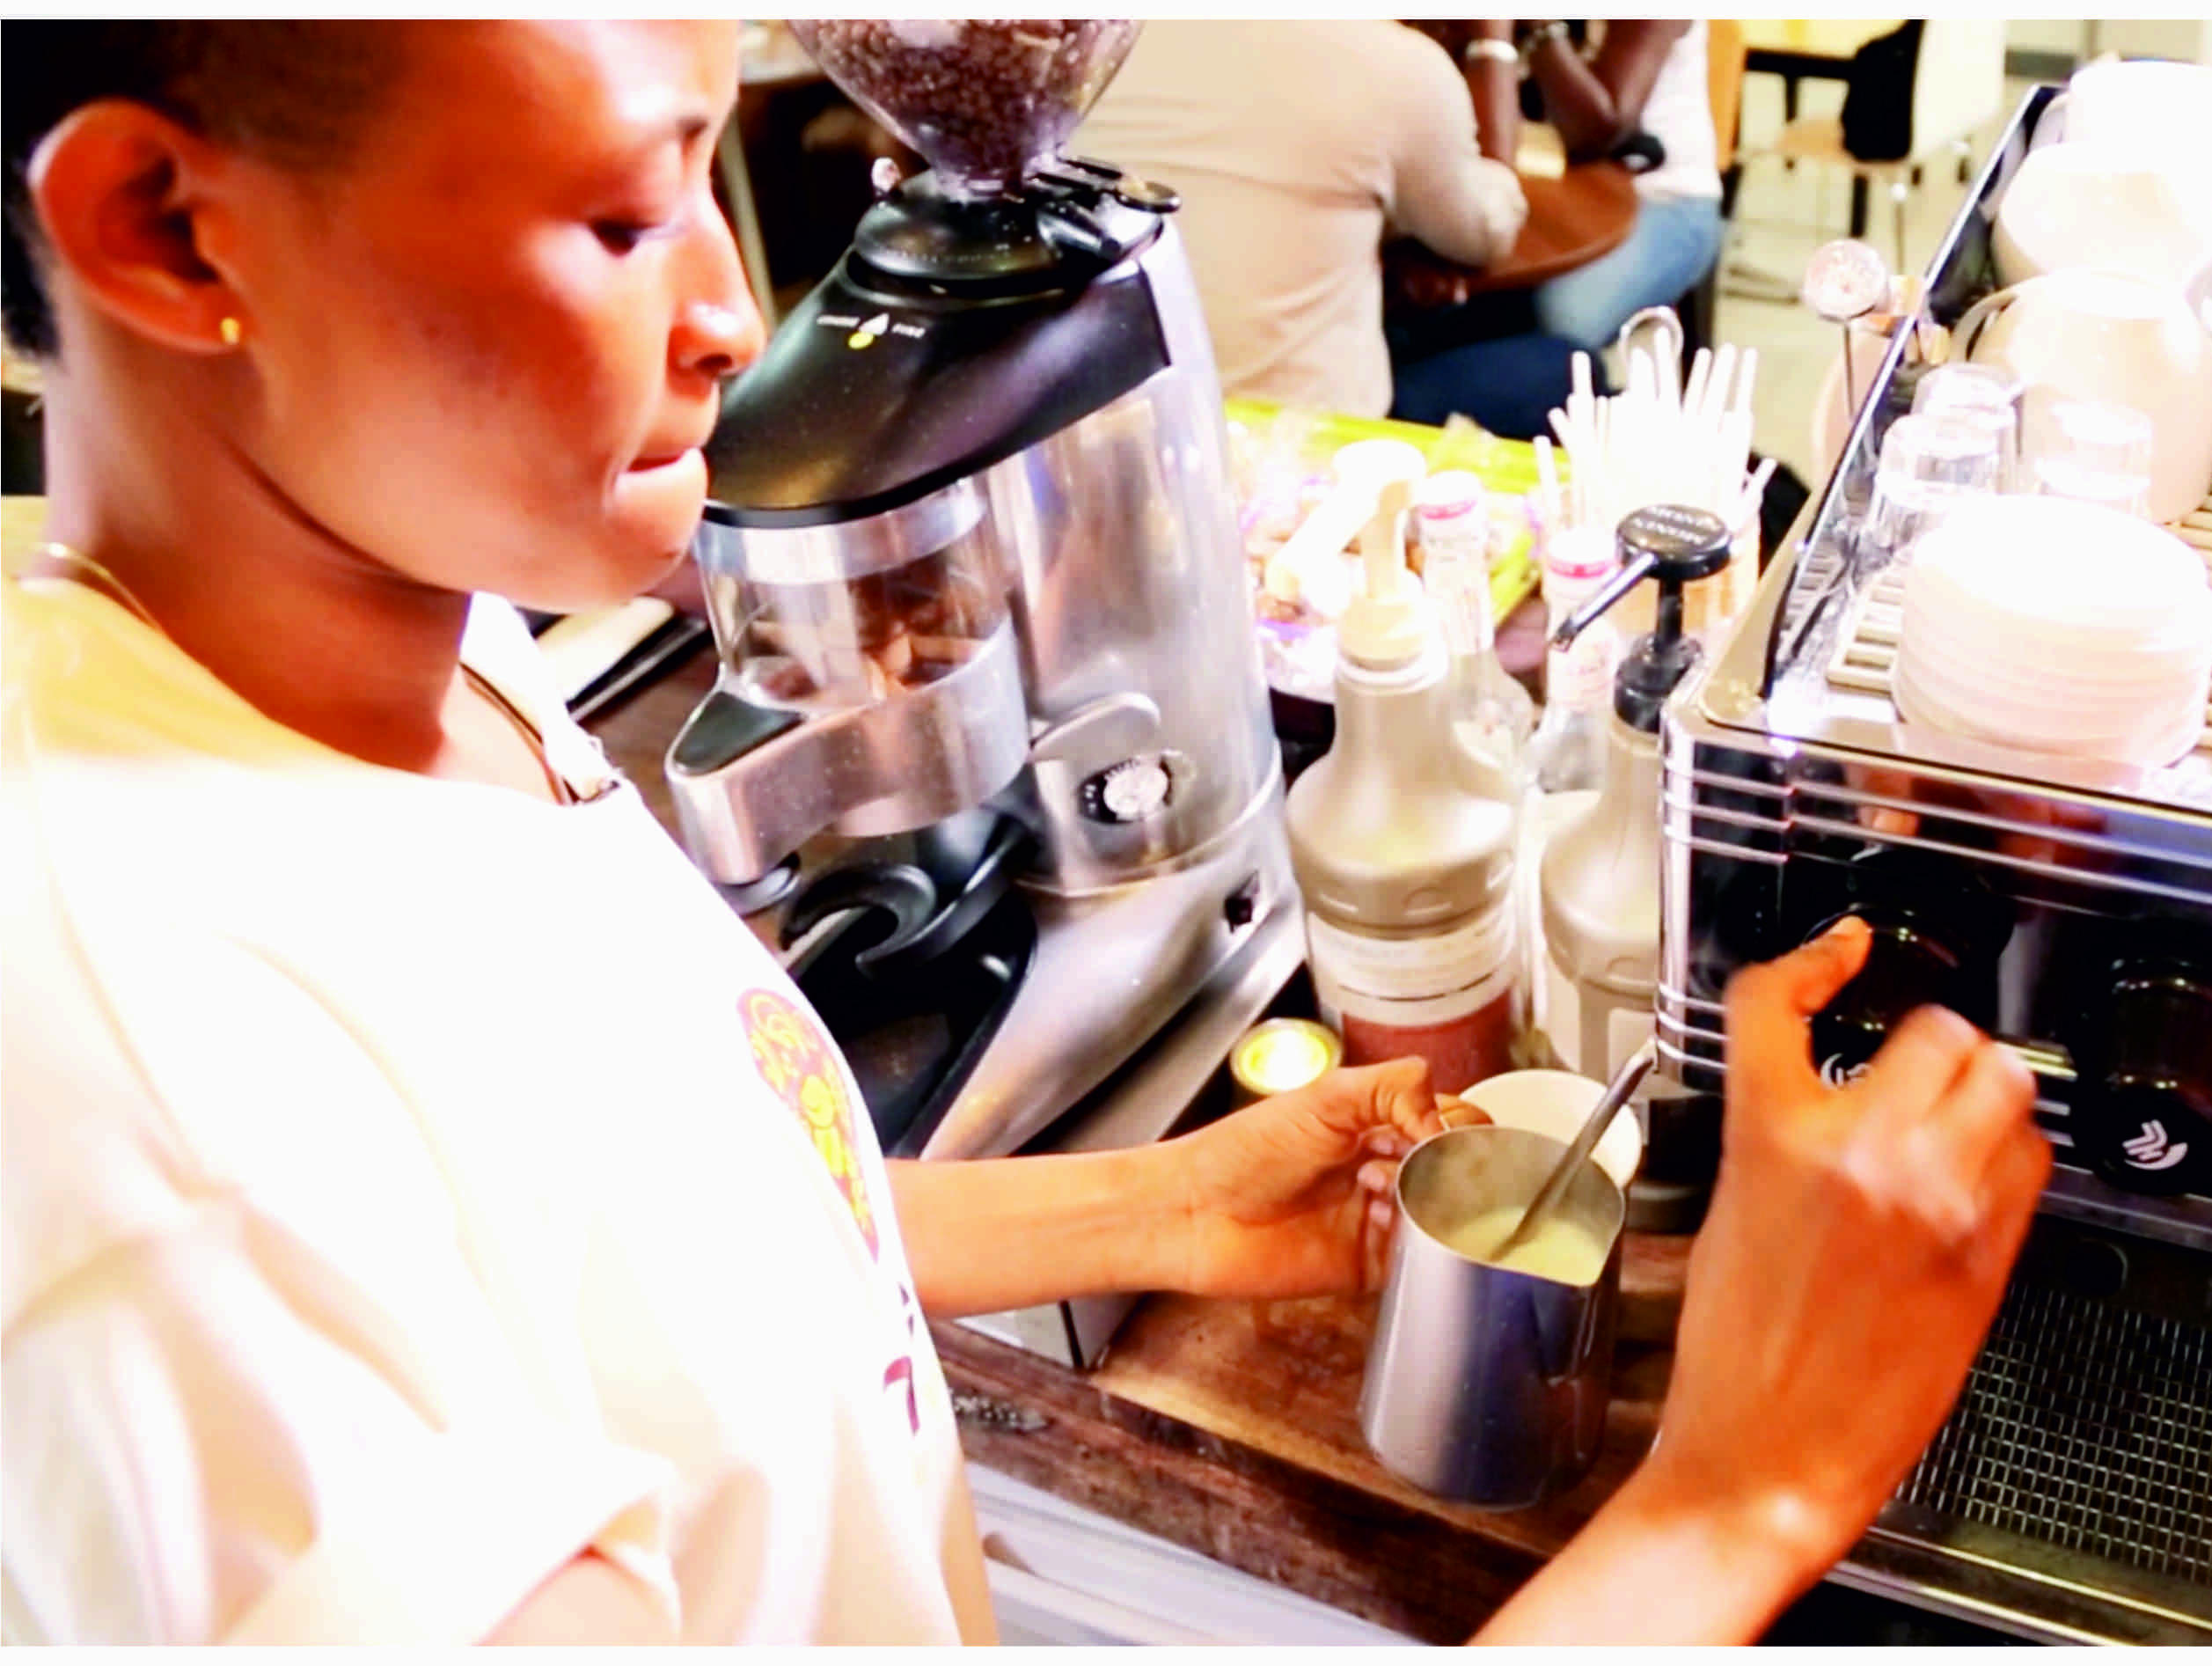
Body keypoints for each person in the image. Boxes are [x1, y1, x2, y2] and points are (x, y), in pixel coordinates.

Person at [0, 20, 2049, 1646]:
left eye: (715, 173)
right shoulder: (169, 1167)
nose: (733, 314)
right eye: (625, 216)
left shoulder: (416, 643)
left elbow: (669, 1219)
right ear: (173, 232)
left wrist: (1157, 1207)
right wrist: (1734, 1505)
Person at [1072, 19, 1528, 422]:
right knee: (1545, 342)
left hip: (1124, 428)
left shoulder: (1094, 40)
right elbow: (1488, 232)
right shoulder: (1394, 65)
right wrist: (1493, 42)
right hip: (1309, 446)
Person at [1517, 19, 1729, 353]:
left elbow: (1601, 131)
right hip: (1552, 192)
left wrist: (1541, 27)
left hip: (1664, 200)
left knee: (1563, 319)